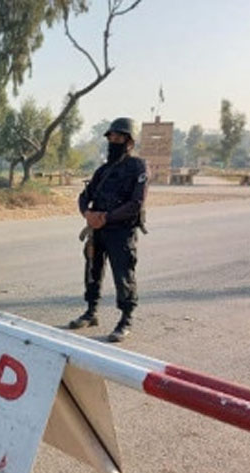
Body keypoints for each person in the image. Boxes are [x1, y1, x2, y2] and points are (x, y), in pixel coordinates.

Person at [68, 117, 148, 342]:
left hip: (121, 231)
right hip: (97, 231)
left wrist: (106, 218)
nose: (113, 141)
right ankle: (91, 312)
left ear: (129, 141)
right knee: (92, 270)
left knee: (123, 274)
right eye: (111, 137)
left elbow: (136, 203)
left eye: (119, 138)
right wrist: (87, 214)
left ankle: (126, 319)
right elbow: (84, 196)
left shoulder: (137, 167)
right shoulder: (103, 170)